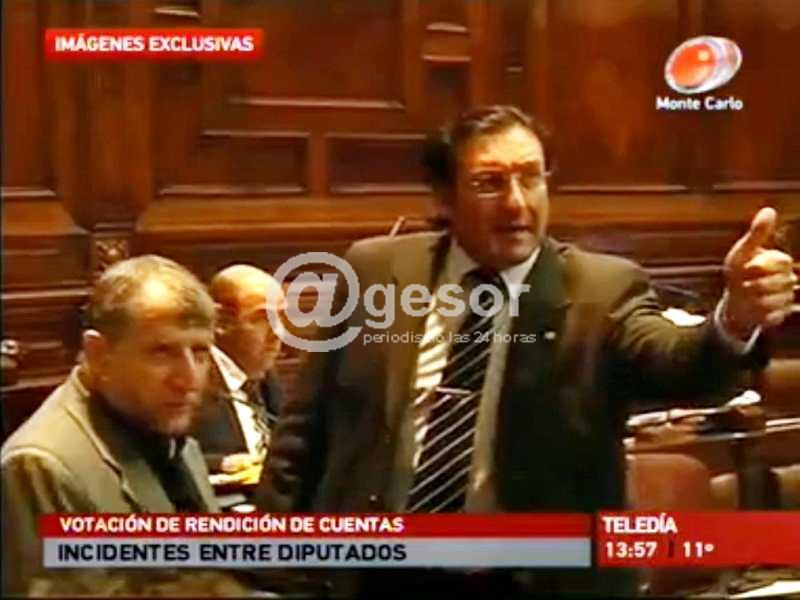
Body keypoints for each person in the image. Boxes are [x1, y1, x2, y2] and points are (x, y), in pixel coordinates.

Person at [256, 105, 797, 596]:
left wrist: (735, 318)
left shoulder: (600, 289)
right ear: (444, 198)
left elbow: (678, 363)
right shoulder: (377, 270)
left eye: (530, 177)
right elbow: (304, 427)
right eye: (489, 183)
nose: (516, 202)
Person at [1, 255, 244, 596]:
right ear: (98, 354)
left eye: (200, 352)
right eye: (162, 352)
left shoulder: (162, 425)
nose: (189, 380)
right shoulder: (40, 466)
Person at [191, 264, 286, 473]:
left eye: (280, 317)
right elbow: (162, 457)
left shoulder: (264, 374)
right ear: (220, 322)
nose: (278, 332)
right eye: (262, 318)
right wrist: (222, 464)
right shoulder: (192, 377)